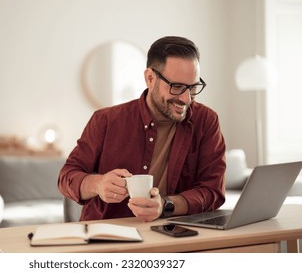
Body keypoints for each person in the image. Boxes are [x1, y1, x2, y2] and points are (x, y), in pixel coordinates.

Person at [58, 36, 226, 222]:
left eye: (193, 87)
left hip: (173, 237)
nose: (186, 99)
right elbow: (66, 177)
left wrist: (166, 205)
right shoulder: (105, 120)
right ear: (150, 78)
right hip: (109, 239)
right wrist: (98, 184)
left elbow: (213, 191)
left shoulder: (206, 121)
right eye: (177, 87)